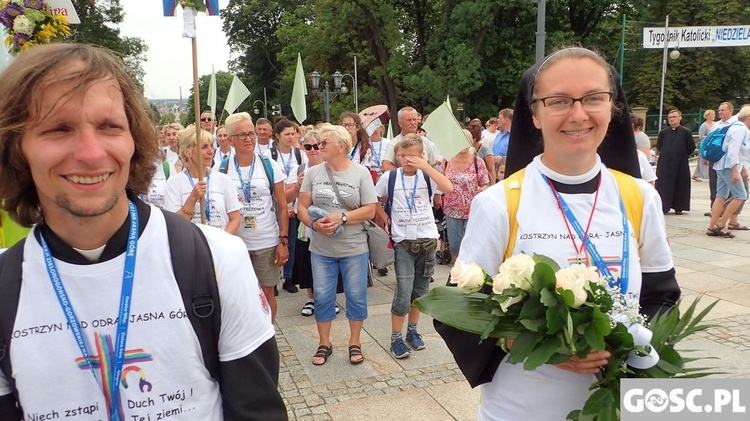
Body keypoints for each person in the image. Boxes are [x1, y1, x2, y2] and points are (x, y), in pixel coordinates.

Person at [0, 43, 286, 419]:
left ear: (134, 139)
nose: (90, 152)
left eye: (108, 127)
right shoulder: (5, 287)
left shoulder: (217, 260)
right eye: (58, 128)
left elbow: (258, 412)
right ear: (17, 148)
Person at [436, 47, 680, 421]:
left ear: (612, 107)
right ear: (534, 114)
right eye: (559, 101)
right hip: (522, 408)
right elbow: (459, 314)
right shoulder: (499, 203)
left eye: (594, 98)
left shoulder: (640, 196)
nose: (578, 114)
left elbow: (661, 298)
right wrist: (542, 343)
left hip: (615, 407)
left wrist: (626, 348)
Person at [297, 125, 377, 366]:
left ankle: (355, 342)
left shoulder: (361, 173)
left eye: (323, 143)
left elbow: (370, 209)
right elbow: (301, 207)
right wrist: (314, 224)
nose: (318, 147)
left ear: (341, 146)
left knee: (356, 295)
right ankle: (325, 343)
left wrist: (341, 217)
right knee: (322, 296)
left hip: (354, 248)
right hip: (321, 249)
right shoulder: (313, 173)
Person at [374, 134, 454, 359]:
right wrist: (384, 217)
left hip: (428, 240)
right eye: (402, 156)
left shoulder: (428, 176)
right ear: (397, 157)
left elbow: (448, 188)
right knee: (403, 292)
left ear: (422, 155)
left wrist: (426, 167)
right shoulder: (390, 177)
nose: (407, 160)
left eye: (412, 156)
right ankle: (396, 337)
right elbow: (373, 199)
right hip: (404, 243)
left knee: (420, 292)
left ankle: (413, 331)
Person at [223, 112, 290, 322]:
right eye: (241, 135)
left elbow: (281, 206)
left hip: (266, 241)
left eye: (250, 133)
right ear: (231, 139)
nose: (248, 139)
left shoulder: (269, 165)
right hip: (237, 243)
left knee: (267, 292)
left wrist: (283, 240)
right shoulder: (222, 168)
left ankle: (268, 336)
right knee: (239, 295)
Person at [164, 125, 242, 233]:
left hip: (219, 246)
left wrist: (222, 242)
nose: (211, 151)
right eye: (204, 147)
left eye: (211, 146)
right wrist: (192, 198)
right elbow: (174, 226)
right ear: (188, 152)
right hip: (191, 246)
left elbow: (235, 218)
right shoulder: (173, 183)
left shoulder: (224, 179)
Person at [268, 118, 307, 294]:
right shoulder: (270, 155)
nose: (291, 137)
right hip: (275, 205)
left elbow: (303, 181)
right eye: (287, 134)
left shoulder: (300, 154)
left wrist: (294, 204)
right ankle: (273, 279)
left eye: (293, 133)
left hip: (295, 204)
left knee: (290, 241)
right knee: (274, 241)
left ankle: (289, 277)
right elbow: (273, 185)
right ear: (278, 136)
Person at [441, 129, 490, 266]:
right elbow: (439, 183)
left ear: (471, 142)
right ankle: (457, 268)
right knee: (455, 245)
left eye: (466, 140)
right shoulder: (446, 161)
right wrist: (445, 180)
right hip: (452, 209)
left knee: (471, 242)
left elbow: (486, 183)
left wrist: (482, 189)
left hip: (472, 209)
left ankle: (468, 269)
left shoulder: (478, 162)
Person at [706, 106, 750, 238]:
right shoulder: (741, 130)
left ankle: (712, 226)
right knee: (741, 195)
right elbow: (733, 151)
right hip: (728, 167)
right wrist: (736, 171)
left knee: (721, 196)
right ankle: (721, 224)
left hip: (721, 165)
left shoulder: (734, 127)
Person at [655, 109, 696, 214]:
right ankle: (664, 206)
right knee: (664, 185)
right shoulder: (663, 133)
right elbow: (659, 146)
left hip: (680, 163)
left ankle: (679, 206)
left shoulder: (686, 132)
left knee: (680, 184)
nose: (672, 119)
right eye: (670, 117)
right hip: (665, 163)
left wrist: (681, 154)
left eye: (674, 117)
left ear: (680, 118)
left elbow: (691, 147)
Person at [694, 109, 715, 181]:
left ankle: (696, 174)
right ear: (707, 116)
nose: (714, 116)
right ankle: (701, 175)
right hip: (705, 145)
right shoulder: (704, 125)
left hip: (712, 144)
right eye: (712, 114)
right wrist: (709, 137)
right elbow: (701, 136)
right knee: (701, 160)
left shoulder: (715, 124)